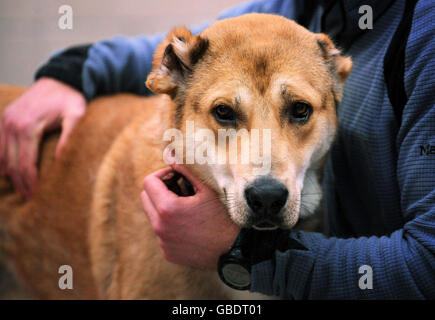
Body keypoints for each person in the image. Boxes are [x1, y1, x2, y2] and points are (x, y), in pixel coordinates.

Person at [0, 0, 434, 299]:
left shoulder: (425, 34)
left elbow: (427, 269)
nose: (265, 171)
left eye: (298, 111)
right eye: (226, 114)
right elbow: (193, 52)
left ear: (337, 79)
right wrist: (69, 72)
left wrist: (242, 251)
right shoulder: (299, 7)